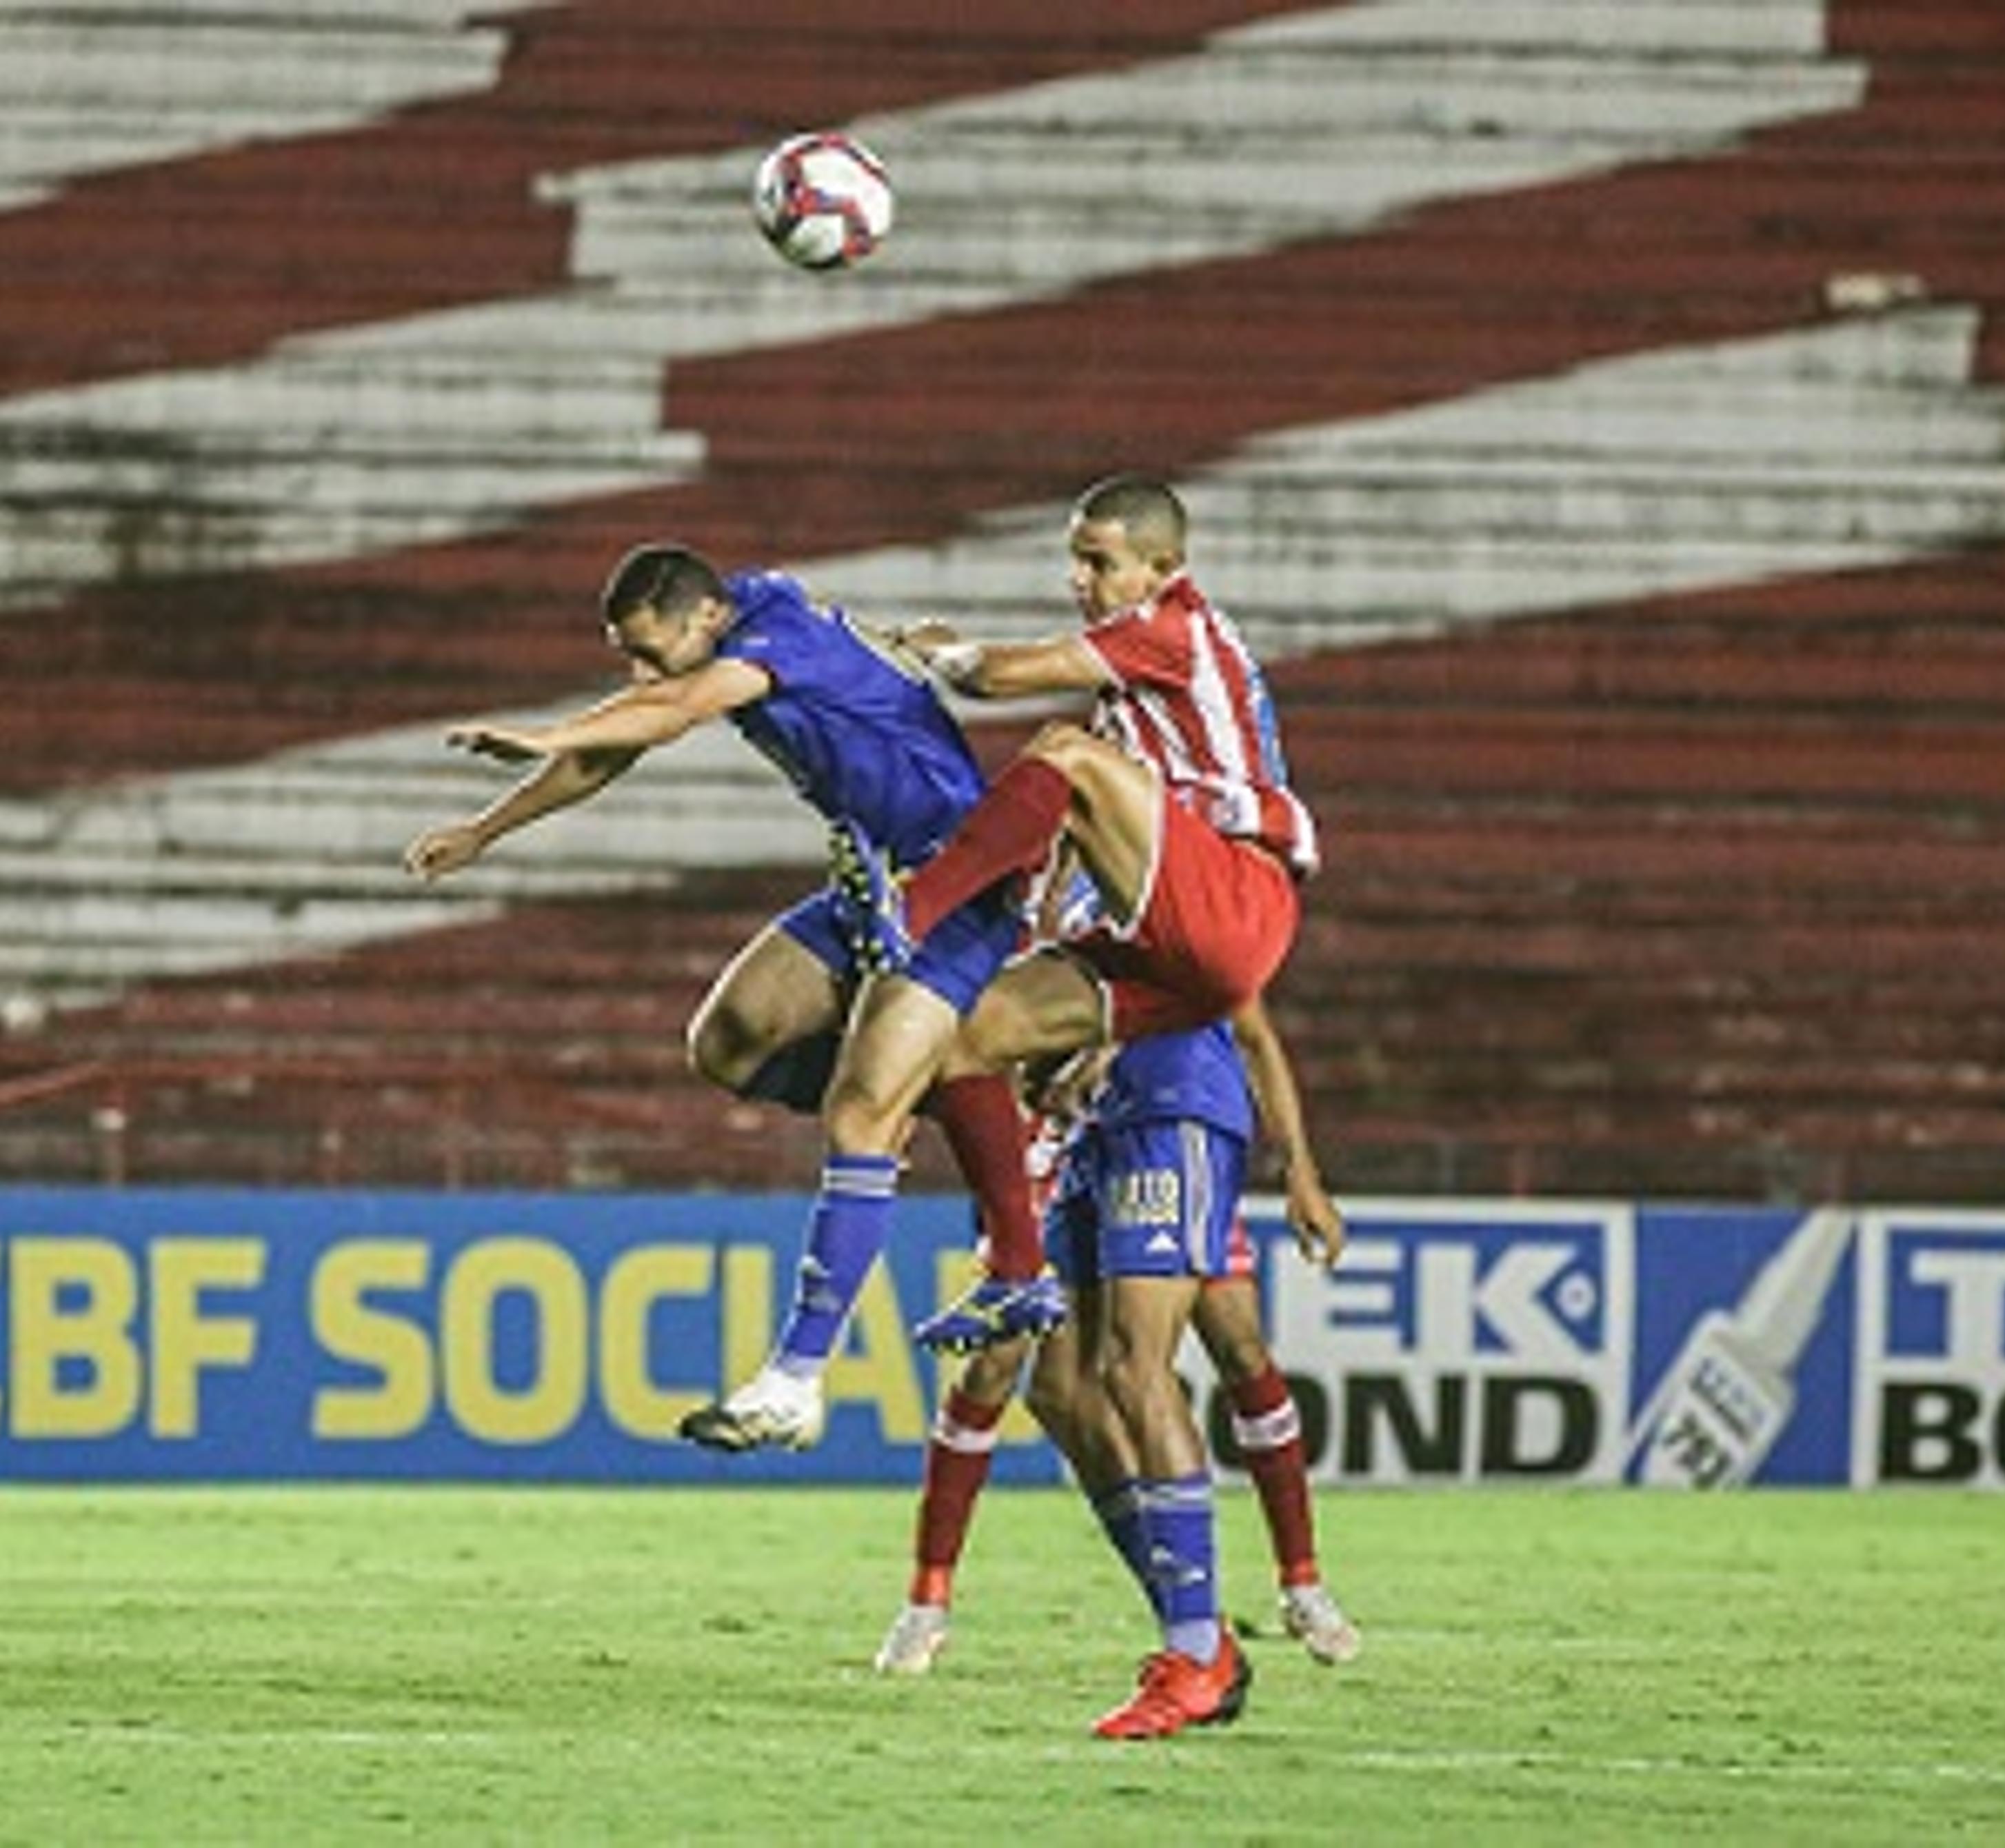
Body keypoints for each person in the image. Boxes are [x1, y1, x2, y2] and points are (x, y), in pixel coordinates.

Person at [685, 472, 1320, 1452]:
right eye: (1075, 557)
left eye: (1100, 560)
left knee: (1059, 753)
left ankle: (916, 905)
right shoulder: (1135, 708)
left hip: (1239, 895)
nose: (1082, 578)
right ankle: (1015, 1273)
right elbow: (1075, 845)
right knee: (962, 1040)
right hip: (1172, 952)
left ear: (1163, 566)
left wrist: (941, 651)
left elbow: (993, 677)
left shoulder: (1171, 625)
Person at [404, 544, 1063, 1378]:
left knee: (860, 1113)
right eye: (627, 656)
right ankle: (930, 1090)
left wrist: (548, 728)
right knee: (730, 1037)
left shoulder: (774, 638)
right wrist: (484, 831)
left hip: (957, 878)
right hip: (878, 879)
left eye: (649, 651)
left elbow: (677, 706)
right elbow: (621, 742)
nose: (641, 671)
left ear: (707, 619)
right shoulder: (742, 609)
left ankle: (806, 1369)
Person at [875, 1019, 1362, 1691]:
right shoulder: (1010, 932)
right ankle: (928, 1602)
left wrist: (1299, 1169)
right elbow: (951, 1021)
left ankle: (1299, 1582)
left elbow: (1243, 1023)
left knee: (1237, 1348)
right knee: (1020, 1371)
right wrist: (898, 1110)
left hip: (1158, 1131)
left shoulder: (1171, 945)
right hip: (1050, 1144)